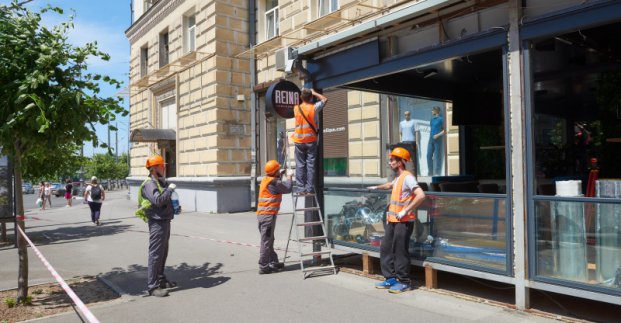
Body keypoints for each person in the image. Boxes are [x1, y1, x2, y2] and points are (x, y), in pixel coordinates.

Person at [368, 147, 426, 294]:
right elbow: (389, 185)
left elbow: (421, 195)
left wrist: (406, 210)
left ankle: (404, 281)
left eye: (393, 160)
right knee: (386, 248)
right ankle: (391, 278)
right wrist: (376, 187)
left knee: (400, 251)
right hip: (393, 220)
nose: (390, 162)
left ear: (401, 162)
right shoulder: (399, 178)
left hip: (404, 221)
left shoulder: (408, 177)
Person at [138, 155, 177, 297]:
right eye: (162, 165)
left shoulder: (160, 182)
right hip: (157, 222)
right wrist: (169, 190)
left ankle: (160, 280)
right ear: (154, 168)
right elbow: (157, 200)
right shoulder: (150, 184)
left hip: (164, 220)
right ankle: (152, 287)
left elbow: (165, 201)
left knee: (163, 252)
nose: (164, 167)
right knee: (155, 254)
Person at [257, 160, 293, 274]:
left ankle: (273, 261)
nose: (279, 170)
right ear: (274, 172)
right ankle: (263, 267)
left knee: (269, 240)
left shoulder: (266, 179)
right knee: (266, 242)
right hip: (268, 217)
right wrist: (289, 177)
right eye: (278, 169)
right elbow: (287, 188)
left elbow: (276, 180)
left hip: (263, 216)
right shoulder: (274, 183)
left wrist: (280, 174)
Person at [291, 88, 327, 194]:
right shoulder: (314, 107)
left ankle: (301, 189)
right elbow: (325, 99)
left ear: (301, 97)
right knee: (310, 164)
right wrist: (314, 92)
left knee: (300, 165)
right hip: (311, 140)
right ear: (311, 97)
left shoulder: (296, 108)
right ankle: (310, 189)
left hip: (299, 140)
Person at [427, 106, 445, 176]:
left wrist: (437, 135)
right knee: (428, 156)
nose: (432, 111)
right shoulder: (432, 120)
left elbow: (445, 130)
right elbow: (431, 129)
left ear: (436, 111)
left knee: (437, 156)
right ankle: (430, 172)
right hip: (430, 140)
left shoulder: (441, 119)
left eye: (432, 110)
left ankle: (437, 172)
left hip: (437, 140)